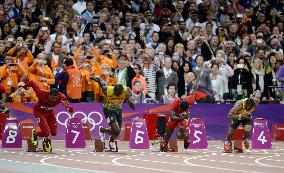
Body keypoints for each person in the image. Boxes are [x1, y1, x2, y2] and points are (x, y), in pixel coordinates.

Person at [24, 80, 73, 152]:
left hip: (50, 113)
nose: (53, 100)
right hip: (39, 112)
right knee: (46, 133)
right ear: (49, 95)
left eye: (55, 99)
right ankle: (37, 135)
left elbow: (71, 109)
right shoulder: (41, 93)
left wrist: (68, 107)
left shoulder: (62, 97)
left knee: (54, 133)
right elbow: (32, 82)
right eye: (51, 98)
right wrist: (24, 87)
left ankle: (37, 134)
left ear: (57, 96)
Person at [91, 76, 135, 152]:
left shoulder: (127, 91)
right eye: (115, 93)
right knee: (117, 130)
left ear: (122, 91)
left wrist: (128, 99)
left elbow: (133, 106)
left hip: (118, 110)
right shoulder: (107, 90)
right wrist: (98, 80)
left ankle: (106, 135)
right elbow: (102, 83)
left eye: (119, 94)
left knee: (118, 131)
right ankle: (105, 134)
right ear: (113, 90)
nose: (117, 95)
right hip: (108, 110)